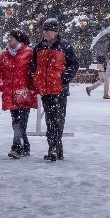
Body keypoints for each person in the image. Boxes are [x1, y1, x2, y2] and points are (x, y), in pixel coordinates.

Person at [29, 18, 79, 161]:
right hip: (45, 89)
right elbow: (34, 65)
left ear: (55, 32)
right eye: (43, 30)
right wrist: (36, 77)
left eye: (47, 30)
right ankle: (56, 149)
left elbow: (74, 65)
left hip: (59, 89)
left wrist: (63, 78)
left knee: (58, 120)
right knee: (50, 121)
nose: (44, 32)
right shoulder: (39, 47)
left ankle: (53, 148)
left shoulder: (65, 47)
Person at [0, 29, 36, 158]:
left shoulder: (29, 53)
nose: (9, 40)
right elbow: (0, 73)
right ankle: (25, 147)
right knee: (16, 121)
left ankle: (16, 147)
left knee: (20, 122)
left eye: (11, 38)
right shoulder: (4, 54)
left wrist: (30, 88)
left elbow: (33, 72)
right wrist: (2, 85)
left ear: (19, 39)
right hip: (10, 93)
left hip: (24, 93)